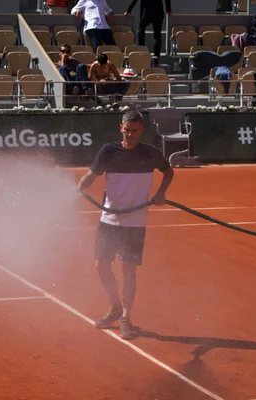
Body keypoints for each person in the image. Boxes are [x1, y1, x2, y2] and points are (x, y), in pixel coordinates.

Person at [76, 110, 174, 341]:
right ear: (121, 128)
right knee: (101, 265)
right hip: (109, 219)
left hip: (135, 221)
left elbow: (169, 172)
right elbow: (91, 176)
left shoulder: (150, 153)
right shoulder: (108, 151)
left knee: (128, 270)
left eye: (135, 130)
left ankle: (126, 319)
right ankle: (115, 307)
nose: (130, 134)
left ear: (141, 130)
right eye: (127, 129)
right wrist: (79, 187)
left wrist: (161, 193)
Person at [125, 0, 172, 65]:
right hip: (158, 12)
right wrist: (168, 10)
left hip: (147, 11)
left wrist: (129, 9)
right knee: (157, 35)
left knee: (141, 30)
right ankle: (156, 58)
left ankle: (142, 52)